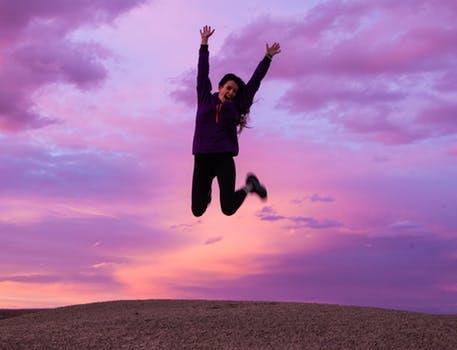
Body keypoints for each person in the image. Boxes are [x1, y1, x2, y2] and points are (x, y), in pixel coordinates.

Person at [191, 25, 281, 217]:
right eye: (228, 88)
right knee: (197, 210)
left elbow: (255, 82)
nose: (231, 92)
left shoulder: (237, 106)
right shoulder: (205, 99)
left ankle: (250, 186)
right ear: (220, 87)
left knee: (228, 208)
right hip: (202, 159)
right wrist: (204, 44)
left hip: (224, 159)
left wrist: (267, 58)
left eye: (234, 91)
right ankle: (206, 192)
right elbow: (202, 72)